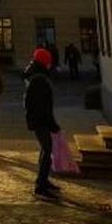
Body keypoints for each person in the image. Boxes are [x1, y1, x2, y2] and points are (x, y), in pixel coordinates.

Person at [25, 46, 63, 198]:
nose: (50, 64)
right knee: (47, 151)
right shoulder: (39, 79)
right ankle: (40, 185)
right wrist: (53, 125)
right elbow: (43, 106)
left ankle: (43, 180)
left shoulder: (35, 75)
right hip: (40, 120)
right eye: (48, 61)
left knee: (45, 150)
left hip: (37, 119)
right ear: (44, 62)